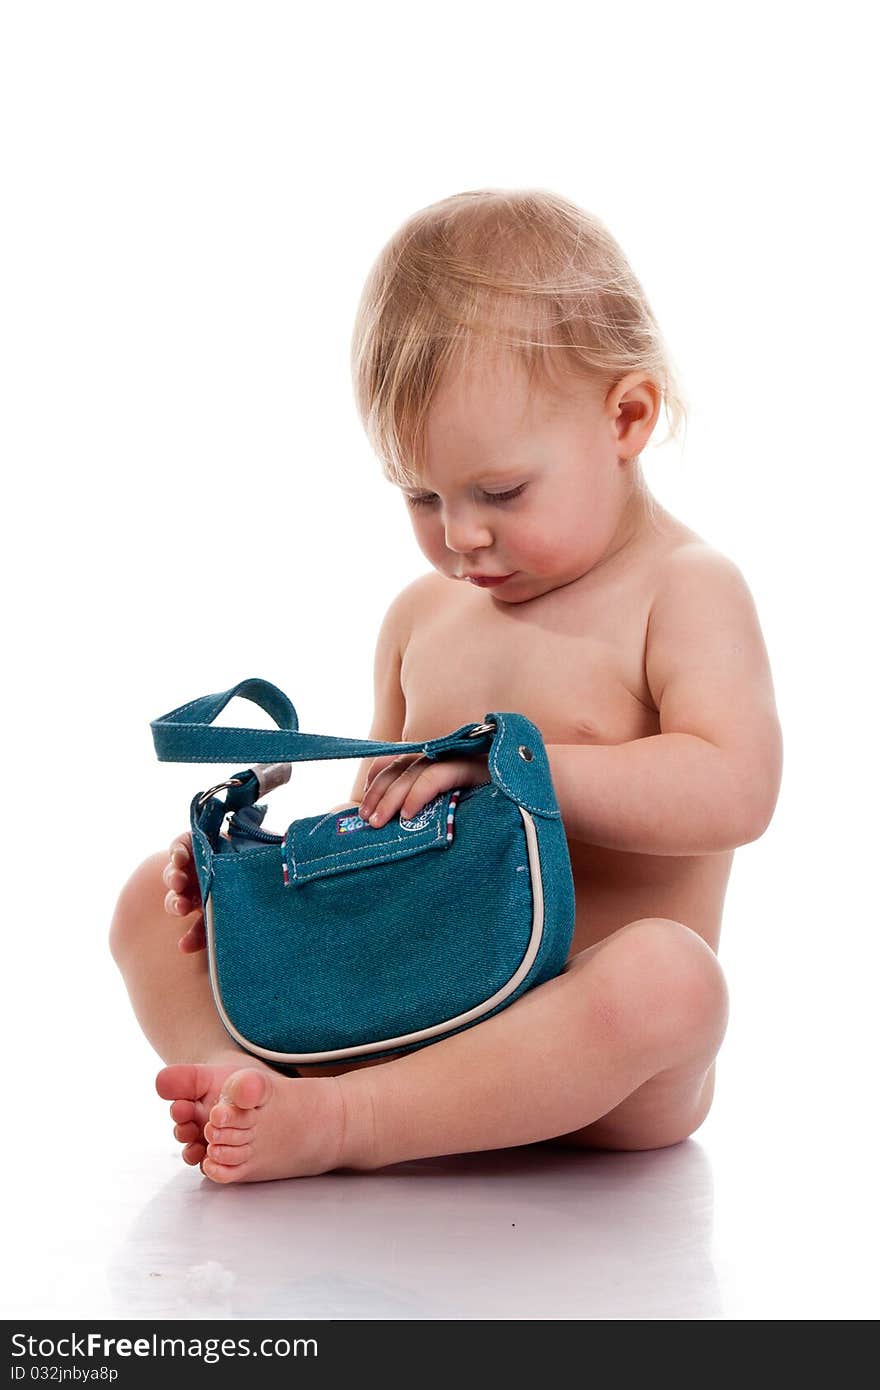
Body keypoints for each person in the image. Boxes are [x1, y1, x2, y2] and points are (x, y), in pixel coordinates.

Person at [110, 188, 782, 1183]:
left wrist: (508, 765)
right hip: (426, 1015)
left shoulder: (681, 589)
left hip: (598, 1058)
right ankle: (245, 1088)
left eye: (500, 492)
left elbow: (734, 791)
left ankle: (351, 1120)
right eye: (422, 495)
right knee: (144, 909)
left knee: (676, 982)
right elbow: (377, 840)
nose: (461, 534)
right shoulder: (421, 618)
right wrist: (262, 889)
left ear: (626, 416)